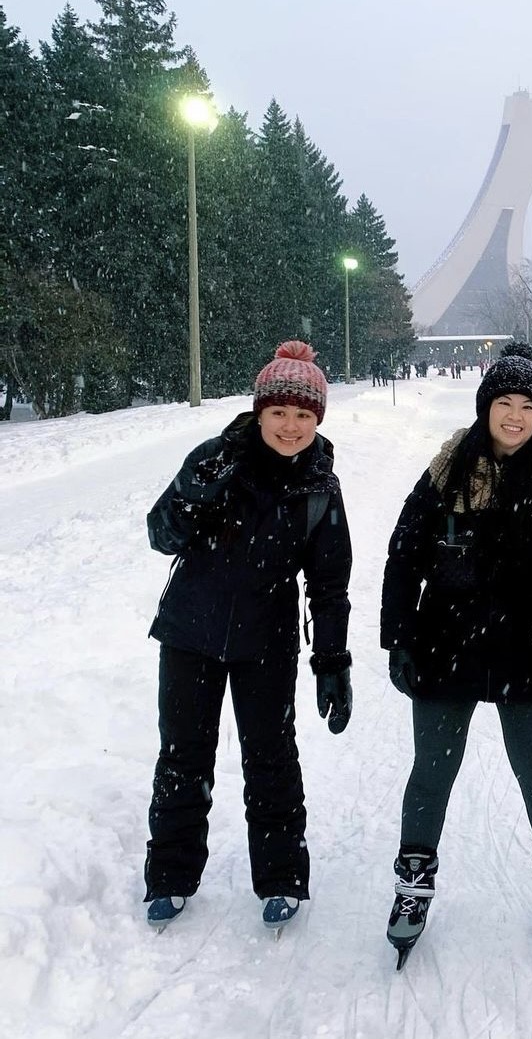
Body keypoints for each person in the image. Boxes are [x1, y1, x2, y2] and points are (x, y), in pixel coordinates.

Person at [380, 344, 532, 968]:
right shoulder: (447, 469)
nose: (516, 416)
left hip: (524, 645)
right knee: (433, 769)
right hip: (446, 643)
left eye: (528, 406)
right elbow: (404, 554)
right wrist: (397, 637)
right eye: (505, 402)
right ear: (485, 406)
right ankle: (414, 880)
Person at [143, 341, 354, 931]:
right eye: (280, 412)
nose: (291, 426)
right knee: (183, 757)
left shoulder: (319, 487)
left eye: (304, 415)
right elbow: (161, 535)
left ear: (318, 420)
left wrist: (332, 659)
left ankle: (282, 876)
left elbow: (330, 582)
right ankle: (170, 875)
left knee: (270, 756)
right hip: (189, 634)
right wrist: (192, 496)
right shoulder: (216, 458)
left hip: (266, 642)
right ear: (260, 411)